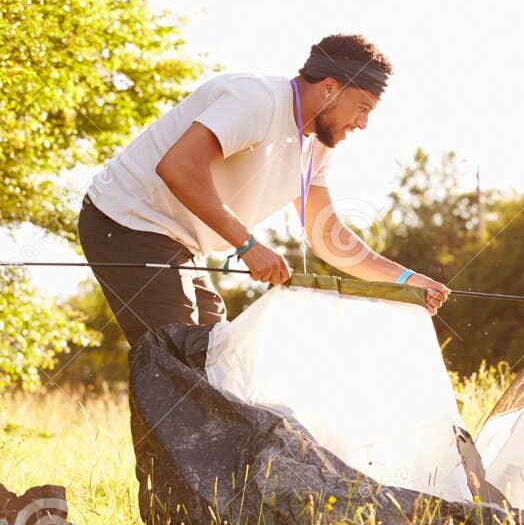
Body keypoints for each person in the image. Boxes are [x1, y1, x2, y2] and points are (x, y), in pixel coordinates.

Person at [79, 34, 450, 349]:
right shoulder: (255, 100)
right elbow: (177, 167)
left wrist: (406, 281)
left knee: (220, 356)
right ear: (330, 88)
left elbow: (327, 237)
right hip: (125, 223)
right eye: (362, 108)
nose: (364, 123)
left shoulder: (317, 146)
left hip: (180, 245)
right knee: (179, 357)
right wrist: (248, 246)